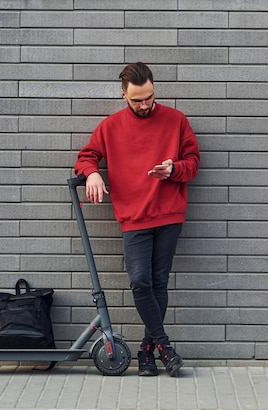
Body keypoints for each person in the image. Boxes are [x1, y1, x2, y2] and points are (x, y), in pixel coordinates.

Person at [73, 62, 200, 377]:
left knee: (158, 282)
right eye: (136, 100)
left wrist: (173, 170)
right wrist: (91, 175)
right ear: (123, 95)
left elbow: (193, 162)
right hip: (134, 217)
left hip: (169, 214)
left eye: (149, 98)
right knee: (140, 281)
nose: (144, 105)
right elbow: (86, 157)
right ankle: (162, 346)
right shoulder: (111, 126)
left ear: (154, 89)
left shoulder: (176, 120)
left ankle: (147, 352)